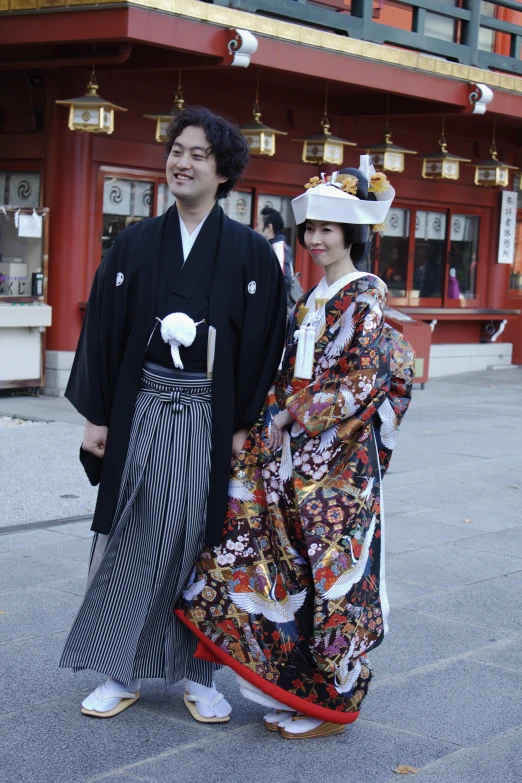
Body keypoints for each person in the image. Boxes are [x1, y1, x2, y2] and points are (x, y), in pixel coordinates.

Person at [59, 106, 287, 722]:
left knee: (199, 539)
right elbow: (103, 333)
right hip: (140, 409)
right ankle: (119, 669)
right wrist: (97, 416)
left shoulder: (250, 254)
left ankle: (197, 675)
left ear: (224, 172)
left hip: (208, 418)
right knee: (127, 533)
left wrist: (242, 424)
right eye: (177, 150)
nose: (181, 163)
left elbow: (266, 342)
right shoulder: (135, 242)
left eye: (198, 155)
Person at [176, 160, 414, 738]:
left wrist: (290, 412)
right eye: (311, 229)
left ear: (351, 234)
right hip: (294, 457)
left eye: (329, 230)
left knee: (333, 577)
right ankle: (295, 691)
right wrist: (269, 418)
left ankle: (331, 700)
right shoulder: (314, 297)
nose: (315, 239)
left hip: (338, 464)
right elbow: (288, 368)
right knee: (285, 568)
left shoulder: (365, 300)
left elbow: (361, 382)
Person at [256, 206, 294, 307]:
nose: (255, 228)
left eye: (257, 224)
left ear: (269, 228)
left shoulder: (278, 248)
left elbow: (280, 283)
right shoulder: (269, 247)